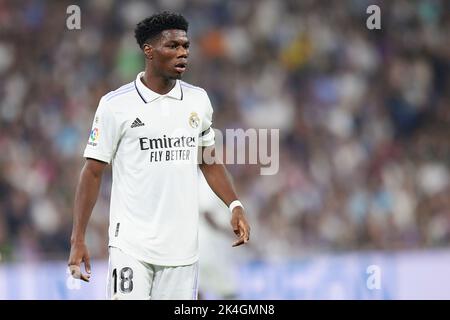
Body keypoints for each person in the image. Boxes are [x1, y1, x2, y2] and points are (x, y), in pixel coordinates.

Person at [67, 11, 250, 300]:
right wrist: (78, 238)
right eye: (173, 46)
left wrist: (234, 204)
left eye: (185, 46)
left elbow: (209, 160)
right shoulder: (116, 105)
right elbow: (92, 172)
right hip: (131, 246)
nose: (182, 53)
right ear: (149, 51)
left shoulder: (197, 100)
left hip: (183, 250)